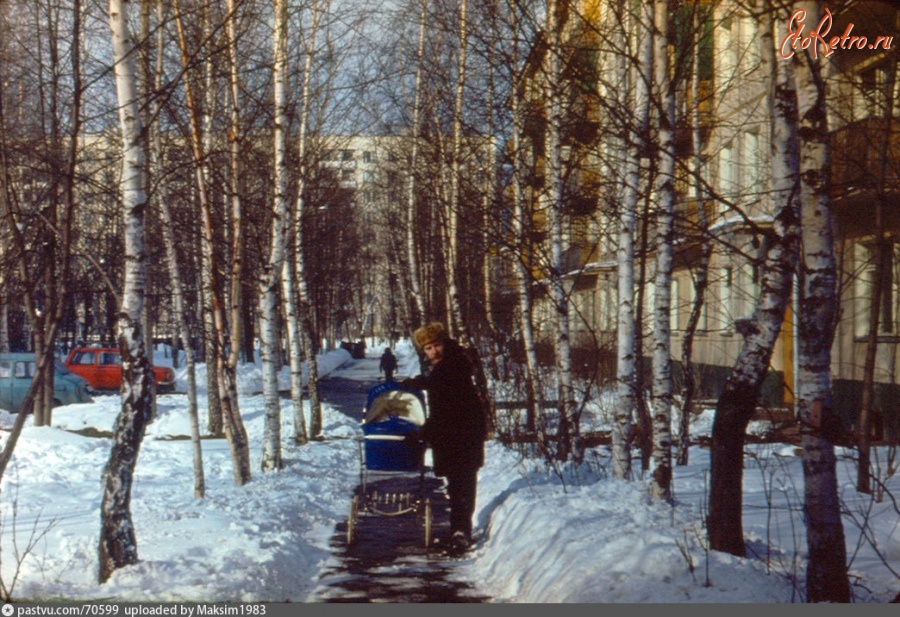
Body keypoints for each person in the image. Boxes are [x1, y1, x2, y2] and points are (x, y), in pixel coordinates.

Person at [402, 322, 487, 552]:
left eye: (437, 345)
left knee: (461, 486)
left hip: (462, 436)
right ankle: (458, 531)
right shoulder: (452, 364)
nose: (434, 352)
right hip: (457, 436)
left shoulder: (452, 366)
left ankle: (461, 533)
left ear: (445, 344)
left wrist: (421, 433)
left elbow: (444, 409)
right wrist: (421, 382)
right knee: (458, 486)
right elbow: (440, 386)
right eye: (428, 348)